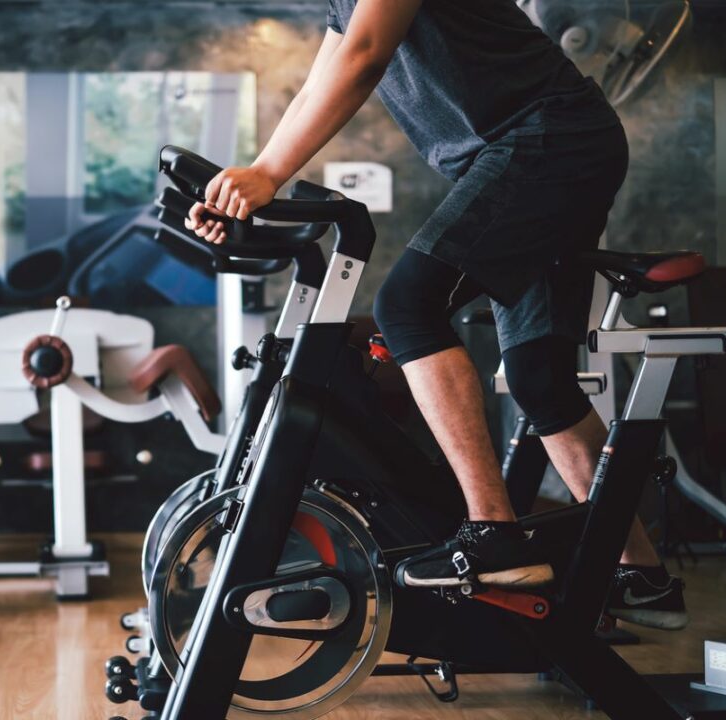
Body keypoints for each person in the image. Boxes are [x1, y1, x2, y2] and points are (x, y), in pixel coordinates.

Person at [183, 0, 687, 630]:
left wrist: (266, 174)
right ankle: (640, 576)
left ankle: (492, 535)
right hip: (538, 147)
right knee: (538, 376)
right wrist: (250, 186)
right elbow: (328, 71)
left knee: (408, 307)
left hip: (544, 139)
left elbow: (367, 56)